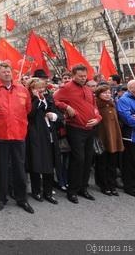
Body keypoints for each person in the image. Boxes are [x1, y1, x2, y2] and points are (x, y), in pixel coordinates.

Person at [0, 63, 34, 213]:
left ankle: (21, 198)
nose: (7, 74)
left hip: (19, 134)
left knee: (19, 168)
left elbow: (28, 109)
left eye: (8, 71)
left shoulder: (23, 90)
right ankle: (1, 198)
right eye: (3, 71)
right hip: (0, 135)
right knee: (1, 168)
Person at [53, 64, 102, 204]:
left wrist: (98, 118)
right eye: (80, 76)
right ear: (73, 75)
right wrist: (66, 107)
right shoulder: (66, 88)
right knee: (78, 160)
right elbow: (54, 100)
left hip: (90, 128)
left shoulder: (87, 89)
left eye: (85, 76)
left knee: (87, 159)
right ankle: (72, 190)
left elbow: (95, 107)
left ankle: (83, 188)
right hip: (75, 128)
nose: (83, 78)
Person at [25, 78, 62, 204]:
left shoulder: (49, 99)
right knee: (36, 163)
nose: (41, 90)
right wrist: (37, 99)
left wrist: (54, 116)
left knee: (50, 164)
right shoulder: (29, 100)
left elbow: (57, 113)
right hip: (35, 136)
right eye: (37, 88)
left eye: (42, 87)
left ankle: (48, 191)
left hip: (49, 135)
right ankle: (36, 191)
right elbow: (30, 114)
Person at [94, 85, 124, 196]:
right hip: (102, 137)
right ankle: (103, 184)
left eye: (108, 92)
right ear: (98, 94)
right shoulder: (97, 105)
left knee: (112, 163)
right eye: (104, 93)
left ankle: (112, 184)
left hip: (114, 137)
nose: (107, 95)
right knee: (102, 163)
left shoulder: (112, 104)